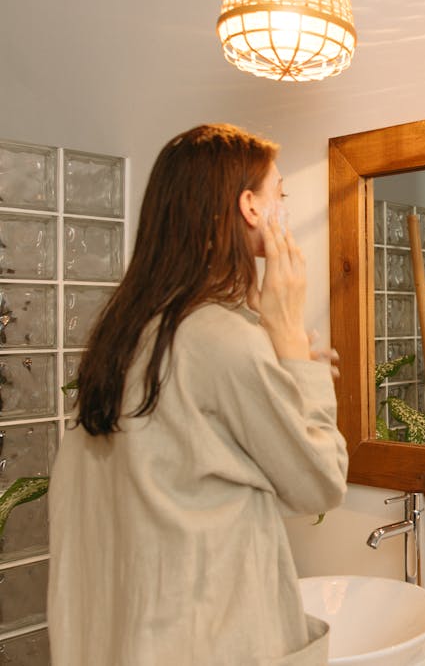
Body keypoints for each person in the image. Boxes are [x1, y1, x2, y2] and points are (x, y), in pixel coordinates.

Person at [47, 124, 349, 665]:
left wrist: (285, 366)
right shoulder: (221, 339)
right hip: (208, 643)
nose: (283, 207)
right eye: (280, 194)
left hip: (138, 639)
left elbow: (207, 472)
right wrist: (290, 345)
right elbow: (319, 482)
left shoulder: (131, 329)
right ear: (249, 207)